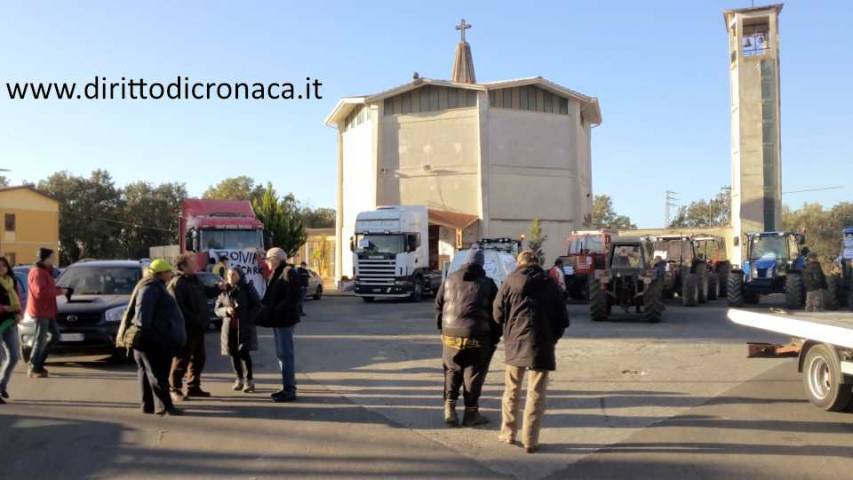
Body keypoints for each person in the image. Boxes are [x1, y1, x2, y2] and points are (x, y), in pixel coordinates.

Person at [493, 250, 569, 454]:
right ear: (537, 263)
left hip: (515, 343)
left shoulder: (510, 280)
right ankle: (530, 440)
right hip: (542, 344)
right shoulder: (551, 283)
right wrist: (552, 339)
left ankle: (508, 433)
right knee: (536, 394)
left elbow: (497, 312)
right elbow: (562, 319)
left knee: (511, 390)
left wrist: (508, 331)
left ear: (520, 263)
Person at [436, 248, 499, 427]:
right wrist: (495, 337)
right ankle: (471, 413)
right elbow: (496, 314)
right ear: (481, 263)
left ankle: (449, 409)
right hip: (476, 335)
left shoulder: (449, 279)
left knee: (451, 370)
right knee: (473, 373)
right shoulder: (488, 283)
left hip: (450, 333)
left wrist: (442, 328)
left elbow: (439, 305)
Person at [124, 259, 186, 416]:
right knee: (158, 374)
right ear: (162, 274)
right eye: (169, 272)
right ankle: (166, 407)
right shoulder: (151, 289)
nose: (171, 274)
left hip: (151, 339)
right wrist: (155, 336)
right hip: (152, 341)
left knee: (146, 373)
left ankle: (148, 406)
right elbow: (143, 318)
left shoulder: (154, 287)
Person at [167, 254, 223, 401]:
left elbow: (207, 292)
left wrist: (220, 288)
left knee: (199, 359)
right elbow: (178, 308)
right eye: (191, 262)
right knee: (181, 359)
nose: (195, 263)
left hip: (198, 327)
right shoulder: (177, 283)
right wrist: (193, 320)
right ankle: (175, 388)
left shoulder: (194, 279)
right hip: (186, 328)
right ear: (183, 266)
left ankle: (193, 387)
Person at [258, 247, 301, 403]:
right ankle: (287, 386)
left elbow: (293, 297)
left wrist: (276, 310)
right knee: (282, 355)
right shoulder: (278, 272)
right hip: (279, 320)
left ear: (276, 259)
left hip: (284, 320)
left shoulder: (288, 272)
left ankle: (289, 389)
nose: (267, 262)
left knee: (285, 354)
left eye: (268, 259)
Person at [215, 267, 260, 393]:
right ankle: (239, 379)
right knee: (233, 354)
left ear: (240, 276)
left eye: (234, 274)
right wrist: (226, 311)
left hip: (244, 327)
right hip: (229, 328)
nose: (231, 277)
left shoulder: (247, 288)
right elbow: (217, 309)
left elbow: (257, 305)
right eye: (229, 275)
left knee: (244, 353)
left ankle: (249, 380)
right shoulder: (224, 291)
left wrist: (248, 318)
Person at [26, 248, 68, 378]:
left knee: (55, 335)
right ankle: (33, 367)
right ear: (43, 258)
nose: (53, 260)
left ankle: (38, 363)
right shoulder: (37, 272)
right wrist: (60, 292)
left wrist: (60, 289)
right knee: (40, 339)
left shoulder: (46, 271)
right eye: (51, 258)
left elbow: (48, 288)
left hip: (48, 311)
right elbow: (40, 292)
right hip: (40, 311)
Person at [0, 257, 23, 404]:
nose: (1, 267)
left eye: (4, 265)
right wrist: (3, 308)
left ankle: (2, 385)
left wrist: (19, 313)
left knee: (14, 356)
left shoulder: (12, 282)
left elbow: (20, 301)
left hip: (10, 322)